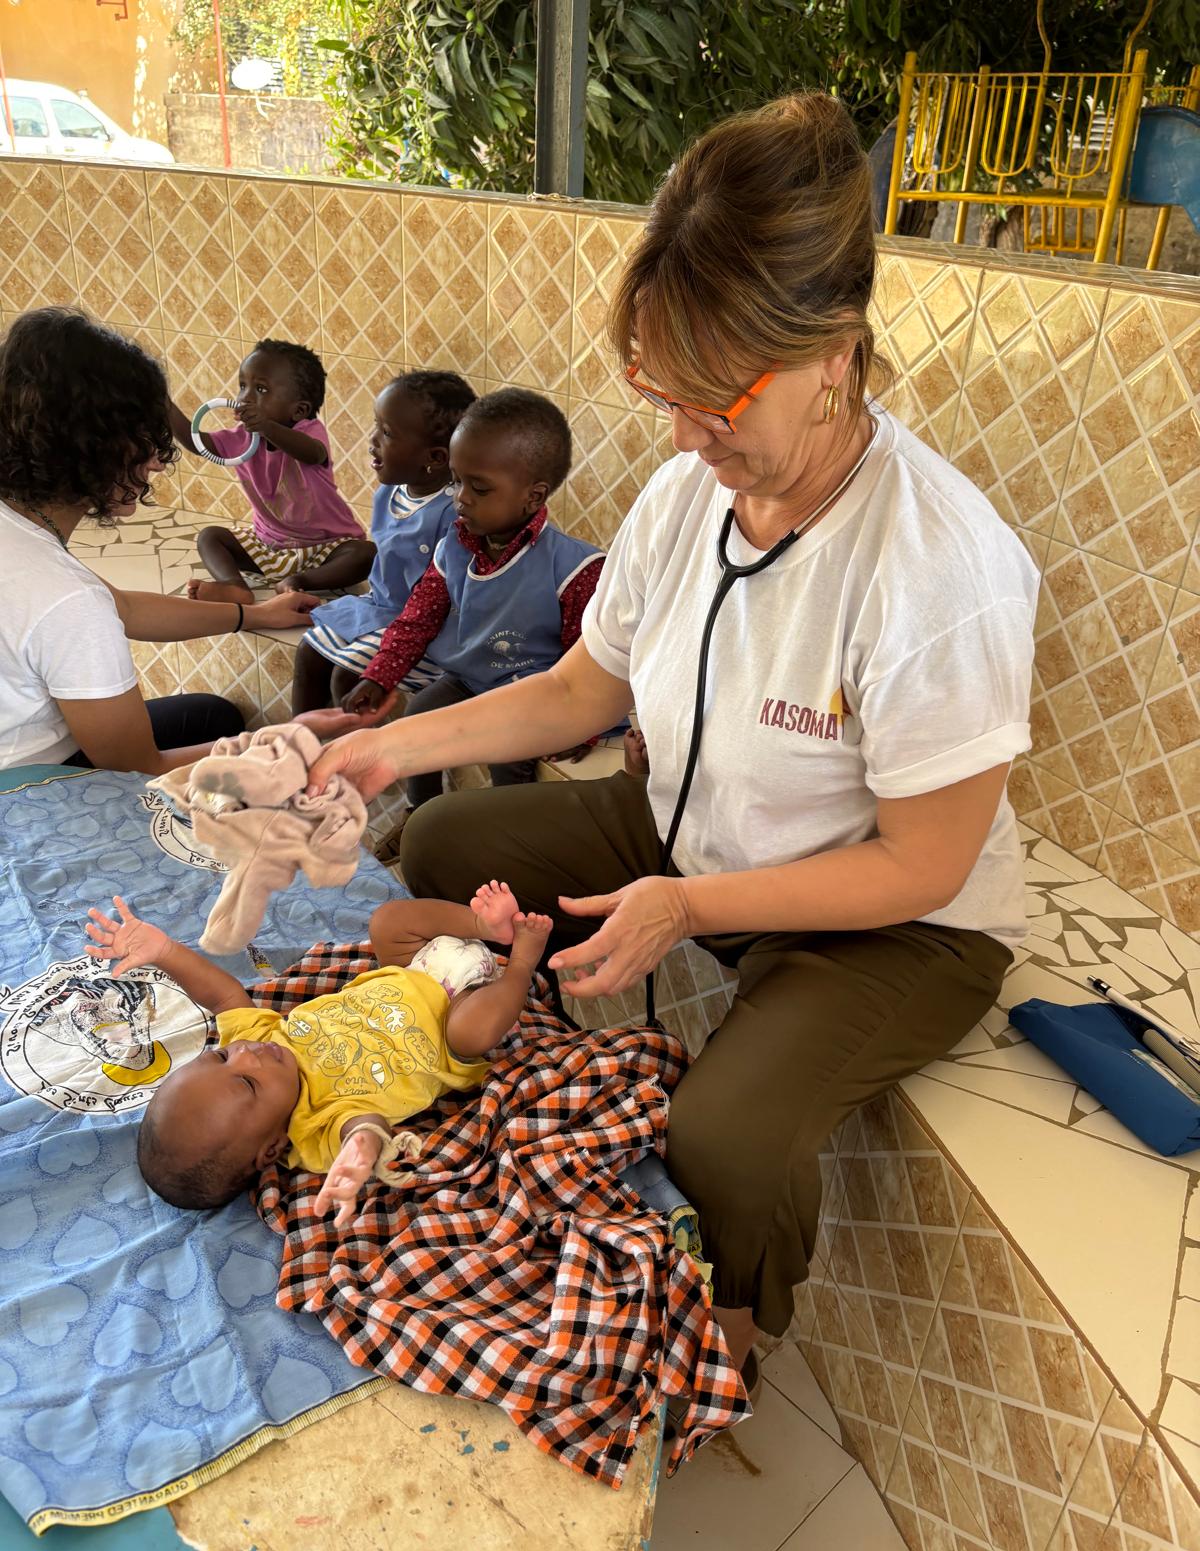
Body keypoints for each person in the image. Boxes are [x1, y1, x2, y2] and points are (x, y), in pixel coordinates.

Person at [308, 95, 1039, 1391]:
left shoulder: (942, 568)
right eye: (663, 390)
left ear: (837, 352)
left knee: (733, 1137)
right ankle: (492, 1061)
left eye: (720, 397)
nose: (689, 435)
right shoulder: (688, 490)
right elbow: (585, 691)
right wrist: (381, 746)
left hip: (897, 915)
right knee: (439, 834)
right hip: (698, 827)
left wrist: (690, 902)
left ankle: (731, 1349)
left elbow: (927, 863)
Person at [0, 308, 357, 781]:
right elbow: (137, 767)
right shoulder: (67, 601)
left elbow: (121, 607)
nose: (158, 462)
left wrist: (254, 615)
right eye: (146, 437)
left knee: (211, 716)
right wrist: (287, 741)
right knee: (231, 745)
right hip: (29, 795)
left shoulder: (24, 536)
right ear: (97, 444)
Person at [84, 887, 552, 1222]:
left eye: (221, 1058)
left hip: (414, 966)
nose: (246, 1054)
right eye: (247, 1082)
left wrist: (164, 950)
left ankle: (481, 926)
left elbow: (226, 997)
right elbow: (362, 1126)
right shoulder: (312, 1129)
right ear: (270, 1149)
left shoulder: (260, 1043)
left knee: (388, 921)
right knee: (474, 1034)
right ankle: (522, 965)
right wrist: (361, 1150)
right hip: (457, 1017)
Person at [342, 387, 606, 821]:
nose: (460, 498)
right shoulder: (454, 548)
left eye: (478, 488)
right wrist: (380, 677)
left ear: (534, 497)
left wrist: (584, 725)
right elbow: (416, 622)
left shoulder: (576, 569)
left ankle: (508, 834)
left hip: (532, 696)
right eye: (456, 480)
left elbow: (593, 660)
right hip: (471, 680)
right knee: (420, 713)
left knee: (510, 754)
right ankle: (419, 815)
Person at [291, 370, 476, 716]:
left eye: (387, 433)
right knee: (309, 652)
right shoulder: (390, 491)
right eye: (377, 425)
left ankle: (355, 765)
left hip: (424, 631)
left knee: (347, 677)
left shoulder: (453, 514)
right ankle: (299, 747)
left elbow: (449, 601)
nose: (372, 440)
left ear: (434, 459)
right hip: (380, 606)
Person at [169, 339, 370, 604]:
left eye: (261, 389)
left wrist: (265, 426)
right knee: (210, 537)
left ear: (299, 410)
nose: (245, 397)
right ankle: (235, 587)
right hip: (268, 545)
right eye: (243, 386)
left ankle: (299, 582)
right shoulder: (241, 438)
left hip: (326, 547)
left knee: (366, 554)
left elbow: (313, 453)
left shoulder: (309, 431)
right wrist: (162, 405)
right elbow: (199, 443)